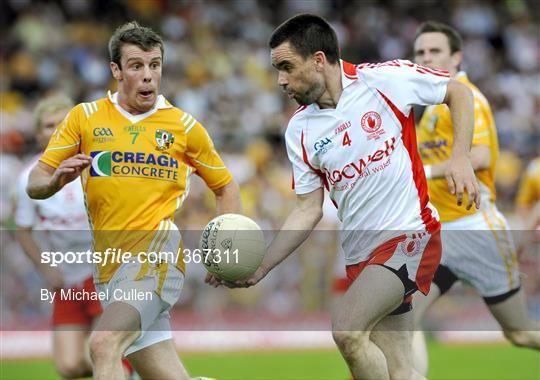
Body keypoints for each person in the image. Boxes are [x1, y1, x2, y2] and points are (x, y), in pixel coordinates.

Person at [211, 14, 479, 379]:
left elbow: (457, 91)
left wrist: (460, 157)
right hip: (361, 255)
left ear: (319, 60)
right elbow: (308, 209)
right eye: (277, 70)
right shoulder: (299, 132)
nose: (281, 80)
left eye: (287, 67)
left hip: (410, 234)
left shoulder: (384, 80)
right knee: (401, 370)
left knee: (347, 331)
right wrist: (262, 266)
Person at [26, 22, 241, 380]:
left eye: (154, 65)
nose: (147, 76)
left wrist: (225, 248)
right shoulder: (84, 118)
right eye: (136, 66)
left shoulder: (184, 127)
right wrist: (52, 182)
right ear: (116, 70)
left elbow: (226, 187)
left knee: (103, 344)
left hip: (155, 259)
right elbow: (35, 181)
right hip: (109, 269)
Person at [412, 21, 540, 375]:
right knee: (403, 317)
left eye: (435, 51)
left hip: (474, 229)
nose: (426, 58)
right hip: (441, 234)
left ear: (456, 56)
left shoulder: (468, 96)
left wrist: (423, 170)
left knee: (521, 332)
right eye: (421, 52)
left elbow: (480, 156)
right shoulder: (431, 107)